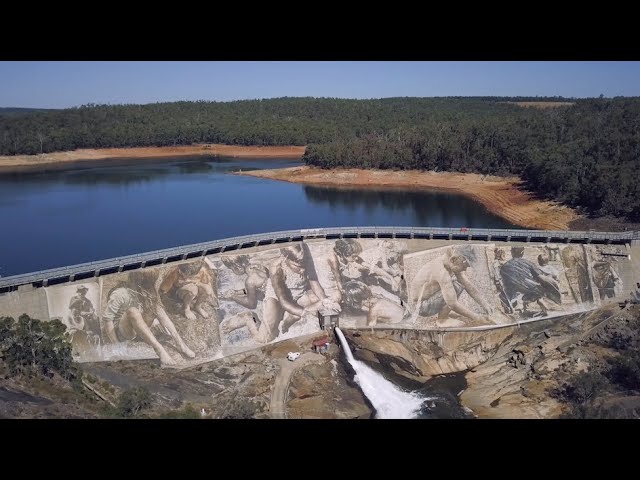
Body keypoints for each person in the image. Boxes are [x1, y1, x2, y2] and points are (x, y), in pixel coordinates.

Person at [221, 244, 338, 343]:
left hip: (297, 294)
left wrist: (324, 300)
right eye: (297, 266)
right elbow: (282, 300)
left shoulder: (303, 257)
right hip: (277, 298)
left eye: (303, 265)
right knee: (265, 338)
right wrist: (304, 313)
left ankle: (290, 319)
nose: (302, 270)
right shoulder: (276, 267)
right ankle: (248, 318)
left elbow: (314, 282)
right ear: (285, 258)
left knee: (326, 301)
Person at [102, 269, 195, 366]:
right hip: (123, 331)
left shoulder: (145, 292)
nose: (150, 287)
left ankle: (181, 344)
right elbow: (107, 320)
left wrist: (155, 321)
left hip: (137, 326)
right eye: (148, 283)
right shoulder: (120, 293)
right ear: (139, 282)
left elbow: (149, 310)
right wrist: (117, 345)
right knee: (133, 311)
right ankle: (159, 350)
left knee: (157, 307)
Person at [408, 247, 495, 327]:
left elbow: (469, 286)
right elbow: (452, 303)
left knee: (458, 285)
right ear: (453, 259)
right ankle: (442, 319)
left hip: (425, 301)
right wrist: (477, 318)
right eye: (464, 266)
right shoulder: (441, 272)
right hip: (421, 307)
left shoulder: (448, 264)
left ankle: (444, 312)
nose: (465, 269)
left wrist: (485, 304)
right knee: (455, 286)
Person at [500, 246, 561, 317]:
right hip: (527, 288)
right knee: (540, 290)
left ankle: (525, 306)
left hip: (511, 291)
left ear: (511, 252)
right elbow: (541, 278)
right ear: (522, 252)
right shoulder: (528, 263)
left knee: (527, 289)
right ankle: (547, 310)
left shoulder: (504, 266)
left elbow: (504, 281)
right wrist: (553, 286)